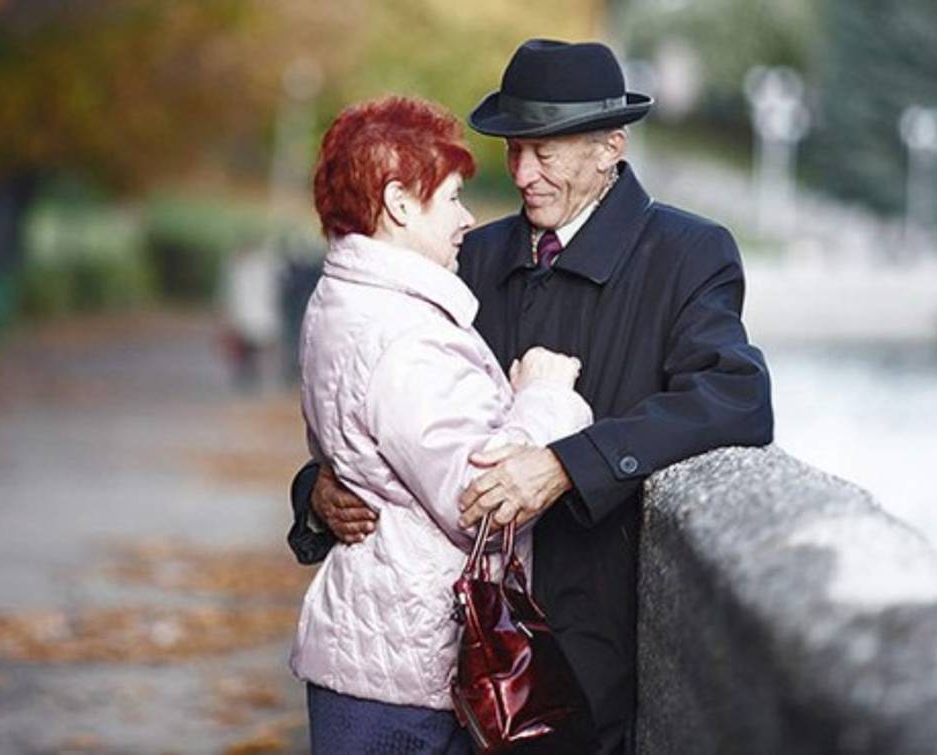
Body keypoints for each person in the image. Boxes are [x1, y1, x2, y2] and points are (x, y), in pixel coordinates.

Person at [290, 40, 775, 753]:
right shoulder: (472, 256)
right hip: (446, 657)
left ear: (612, 146)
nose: (521, 172)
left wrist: (567, 463)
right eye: (515, 148)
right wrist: (317, 489)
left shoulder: (688, 253)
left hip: (589, 646)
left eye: (545, 151)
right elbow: (378, 399)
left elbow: (737, 399)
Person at [291, 95, 592, 753]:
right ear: (400, 204)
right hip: (405, 679)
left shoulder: (344, 300)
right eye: (452, 198)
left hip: (371, 651)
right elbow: (479, 499)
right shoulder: (406, 335)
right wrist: (547, 398)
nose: (467, 217)